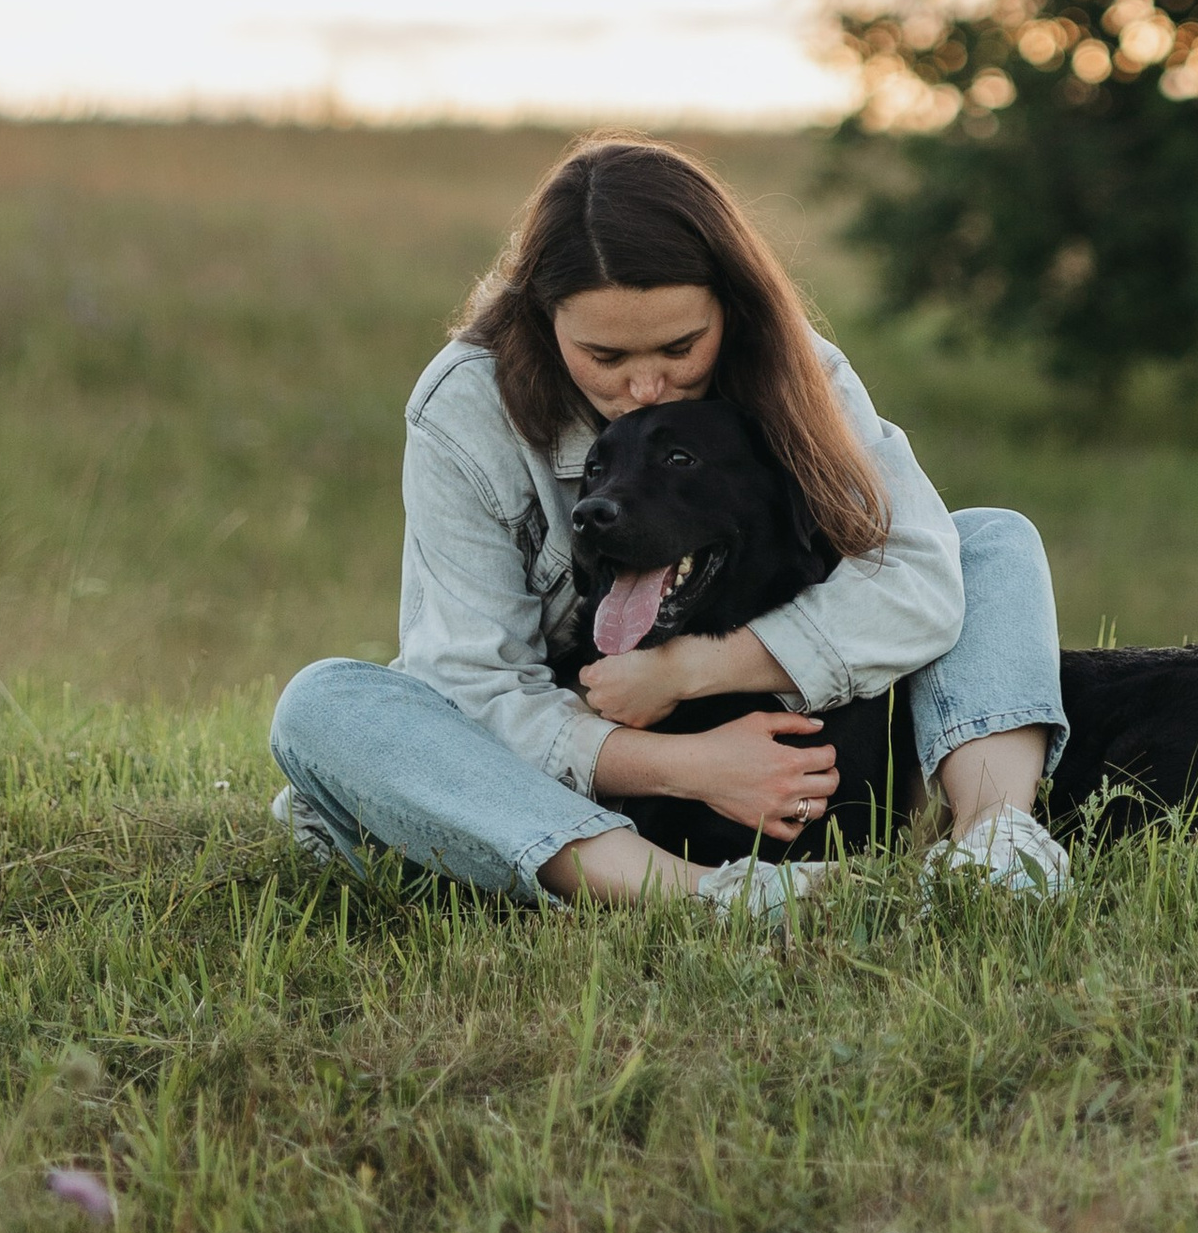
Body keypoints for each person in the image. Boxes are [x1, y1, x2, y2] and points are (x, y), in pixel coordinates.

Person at [269, 138, 1070, 914]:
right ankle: (708, 898)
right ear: (544, 321)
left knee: (989, 540)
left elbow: (921, 581)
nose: (647, 386)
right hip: (557, 752)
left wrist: (690, 672)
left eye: (682, 347)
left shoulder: (800, 369)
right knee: (323, 704)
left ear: (732, 306)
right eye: (605, 357)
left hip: (750, 706)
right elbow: (471, 685)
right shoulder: (466, 406)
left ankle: (994, 843)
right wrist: (686, 766)